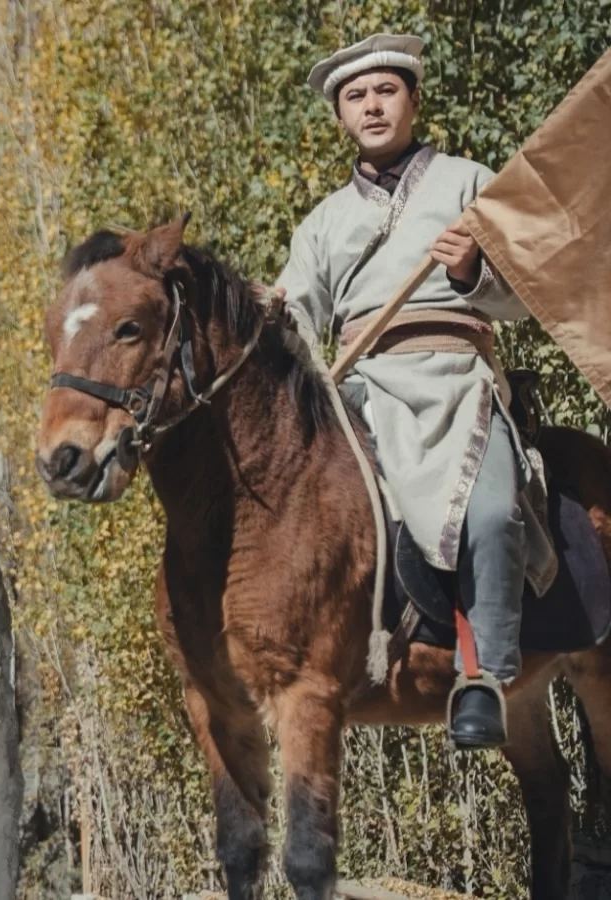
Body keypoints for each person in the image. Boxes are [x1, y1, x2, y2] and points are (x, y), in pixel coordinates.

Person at [274, 33, 556, 749]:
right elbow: (296, 318)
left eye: (386, 91)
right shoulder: (324, 222)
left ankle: (485, 677)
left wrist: (470, 273)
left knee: (491, 512)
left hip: (460, 380)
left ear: (414, 100)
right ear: (340, 116)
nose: (372, 106)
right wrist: (266, 308)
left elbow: (527, 293)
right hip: (364, 390)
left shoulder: (469, 184)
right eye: (355, 97)